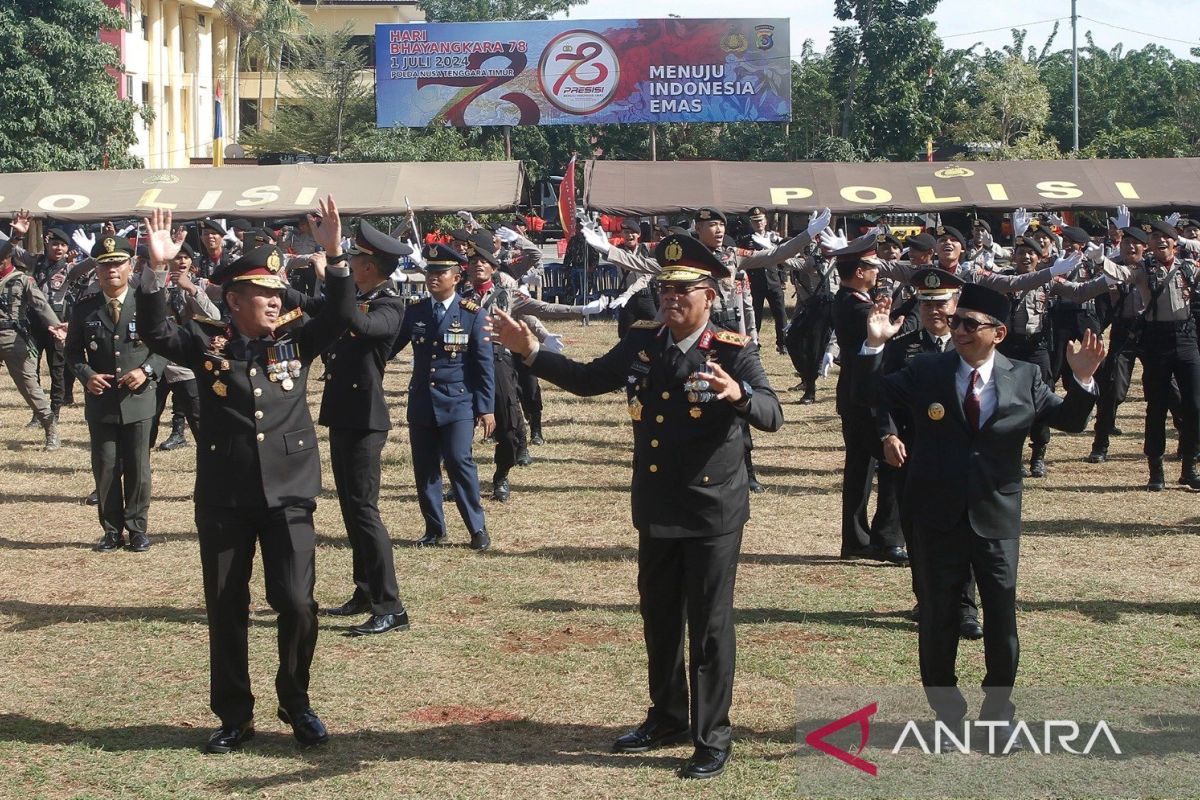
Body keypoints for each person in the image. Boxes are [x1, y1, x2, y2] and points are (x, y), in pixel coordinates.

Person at [488, 232, 783, 780]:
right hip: (657, 504)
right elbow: (588, 379)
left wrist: (738, 396)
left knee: (710, 627)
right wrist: (528, 350)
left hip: (712, 509)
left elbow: (772, 412)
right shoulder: (644, 342)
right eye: (665, 287)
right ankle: (668, 715)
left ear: (709, 296)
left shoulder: (733, 350)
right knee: (660, 616)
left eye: (684, 290)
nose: (671, 298)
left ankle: (712, 735)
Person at [136, 201, 354, 754]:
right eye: (264, 293)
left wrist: (335, 254)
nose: (277, 300)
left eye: (279, 292)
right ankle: (234, 714)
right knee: (226, 605)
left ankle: (296, 701)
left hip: (290, 494)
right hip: (225, 497)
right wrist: (156, 270)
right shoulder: (207, 341)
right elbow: (156, 331)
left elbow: (342, 315)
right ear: (234, 301)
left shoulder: (297, 338)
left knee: (299, 604)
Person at [855, 283, 1104, 742]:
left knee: (1001, 614)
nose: (959, 331)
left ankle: (997, 706)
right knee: (937, 616)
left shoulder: (1025, 376)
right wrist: (873, 345)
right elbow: (869, 392)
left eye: (970, 324)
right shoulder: (927, 369)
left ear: (999, 333)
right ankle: (946, 709)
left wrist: (1083, 381)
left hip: (995, 515)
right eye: (955, 322)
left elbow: (1069, 420)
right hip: (934, 514)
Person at [313, 221, 411, 634]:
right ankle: (365, 589)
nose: (350, 263)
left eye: (354, 259)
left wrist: (334, 273)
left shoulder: (390, 304)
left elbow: (362, 325)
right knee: (351, 511)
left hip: (366, 420)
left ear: (369, 267)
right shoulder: (358, 296)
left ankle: (391, 606)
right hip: (343, 414)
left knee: (366, 512)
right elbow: (323, 311)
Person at [874, 269, 980, 639]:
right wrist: (887, 435)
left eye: (941, 302)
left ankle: (966, 608)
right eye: (927, 303)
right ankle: (927, 599)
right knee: (918, 531)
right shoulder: (903, 348)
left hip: (961, 454)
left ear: (956, 303)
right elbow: (882, 396)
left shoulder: (971, 346)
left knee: (965, 530)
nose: (934, 310)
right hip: (915, 451)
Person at [65, 234, 166, 553]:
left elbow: (165, 346)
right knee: (106, 466)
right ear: (96, 270)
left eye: (118, 263)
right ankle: (111, 530)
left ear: (131, 265)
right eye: (105, 264)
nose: (112, 270)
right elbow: (72, 354)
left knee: (138, 466)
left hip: (138, 400)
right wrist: (87, 375)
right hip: (102, 401)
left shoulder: (146, 301)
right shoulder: (84, 309)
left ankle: (137, 528)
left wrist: (146, 371)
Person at [392, 243, 495, 550]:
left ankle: (477, 528)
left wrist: (486, 408)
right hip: (423, 401)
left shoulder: (472, 314)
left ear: (456, 276)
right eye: (430, 272)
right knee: (424, 468)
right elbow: (390, 348)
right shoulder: (416, 312)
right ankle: (435, 529)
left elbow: (483, 365)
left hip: (458, 402)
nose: (433, 277)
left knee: (459, 461)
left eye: (440, 272)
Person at [830, 236, 907, 563]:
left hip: (852, 393)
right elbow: (895, 331)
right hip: (869, 396)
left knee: (860, 469)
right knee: (893, 463)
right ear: (860, 271)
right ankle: (887, 538)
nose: (877, 272)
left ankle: (856, 539)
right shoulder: (859, 306)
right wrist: (918, 306)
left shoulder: (845, 299)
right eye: (872, 266)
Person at [1126, 219, 1200, 490]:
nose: (1159, 241)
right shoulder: (1143, 269)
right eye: (1154, 237)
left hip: (1186, 337)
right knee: (1156, 406)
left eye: (1164, 237)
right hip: (1156, 340)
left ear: (1175, 242)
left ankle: (1189, 466)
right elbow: (1121, 275)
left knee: (1194, 405)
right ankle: (1155, 470)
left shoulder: (1189, 268)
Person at [0, 227, 66, 450]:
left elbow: (41, 305)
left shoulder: (22, 280)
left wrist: (55, 325)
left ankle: (50, 429)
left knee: (30, 387)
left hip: (13, 338)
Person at [740, 207, 787, 354]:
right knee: (755, 315)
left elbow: (783, 259)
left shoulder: (774, 238)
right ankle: (755, 342)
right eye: (755, 221)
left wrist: (783, 278)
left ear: (766, 221)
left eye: (760, 220)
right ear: (751, 223)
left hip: (773, 280)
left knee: (780, 314)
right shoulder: (745, 240)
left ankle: (783, 343)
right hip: (755, 282)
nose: (758, 223)